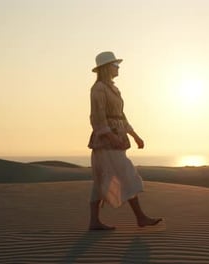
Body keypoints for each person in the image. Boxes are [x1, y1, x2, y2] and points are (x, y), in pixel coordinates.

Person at [87, 51, 162, 230]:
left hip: (117, 138)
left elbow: (121, 116)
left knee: (101, 182)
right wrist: (111, 137)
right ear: (107, 68)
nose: (118, 68)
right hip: (106, 142)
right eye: (115, 65)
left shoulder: (113, 88)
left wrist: (135, 135)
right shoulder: (98, 89)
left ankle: (94, 222)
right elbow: (97, 117)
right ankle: (140, 217)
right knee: (127, 175)